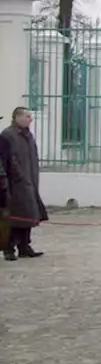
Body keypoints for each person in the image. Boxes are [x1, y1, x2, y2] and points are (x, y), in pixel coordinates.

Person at [0, 106, 46, 260]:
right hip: (15, 183)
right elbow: (9, 159)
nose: (30, 119)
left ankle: (24, 246)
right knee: (15, 216)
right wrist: (18, 175)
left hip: (30, 180)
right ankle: (9, 248)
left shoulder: (28, 135)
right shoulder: (8, 135)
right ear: (17, 117)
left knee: (29, 214)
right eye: (27, 116)